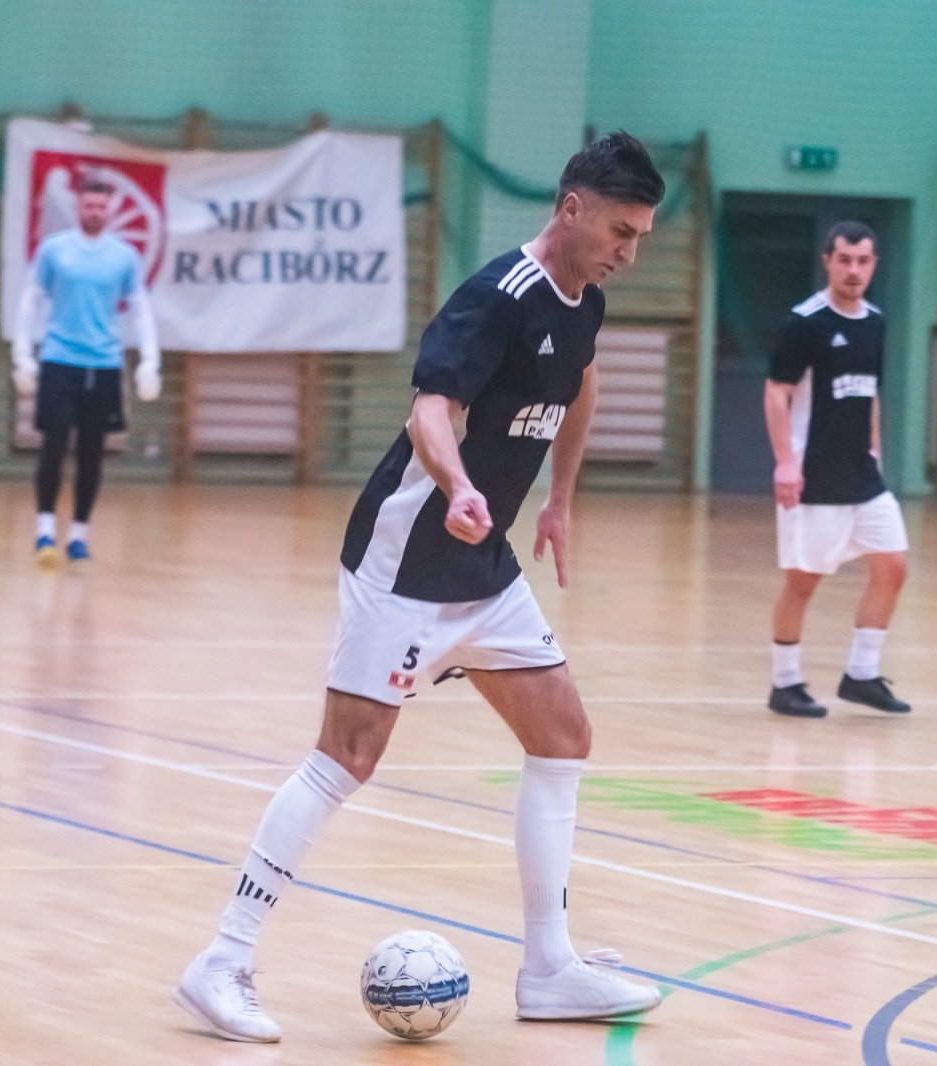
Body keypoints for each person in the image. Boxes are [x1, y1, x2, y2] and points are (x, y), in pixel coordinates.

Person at [173, 132, 667, 1043]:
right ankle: (221, 962)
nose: (628, 252)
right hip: (405, 561)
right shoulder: (496, 299)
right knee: (346, 759)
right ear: (572, 208)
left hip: (481, 570)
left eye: (639, 236)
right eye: (620, 231)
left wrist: (558, 495)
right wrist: (460, 485)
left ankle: (551, 967)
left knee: (562, 734)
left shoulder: (584, 301)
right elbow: (428, 410)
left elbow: (580, 382)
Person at [763, 220, 910, 718]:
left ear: (873, 265)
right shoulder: (804, 323)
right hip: (813, 476)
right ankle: (785, 684)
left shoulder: (874, 322)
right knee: (803, 582)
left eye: (863, 261)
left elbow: (870, 393)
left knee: (893, 565)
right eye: (844, 259)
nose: (853, 270)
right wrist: (785, 463)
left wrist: (876, 452)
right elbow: (776, 392)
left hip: (862, 477)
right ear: (827, 260)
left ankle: (861, 675)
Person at [11, 172, 161, 564]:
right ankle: (45, 530)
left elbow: (141, 308)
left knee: (92, 453)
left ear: (111, 209)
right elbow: (31, 299)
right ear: (77, 206)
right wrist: (22, 355)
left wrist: (150, 361)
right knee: (53, 445)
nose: (94, 211)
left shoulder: (124, 256)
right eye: (88, 205)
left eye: (101, 206)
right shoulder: (54, 250)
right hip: (60, 360)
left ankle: (79, 533)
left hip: (104, 364)